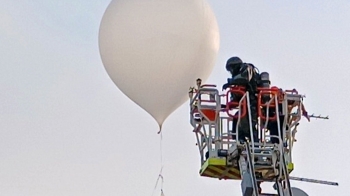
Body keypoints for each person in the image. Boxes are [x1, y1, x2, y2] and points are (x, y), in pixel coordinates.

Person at [223, 56, 260, 143]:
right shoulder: (236, 80)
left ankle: (254, 142)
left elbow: (244, 79)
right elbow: (236, 97)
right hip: (245, 102)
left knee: (249, 121)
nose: (231, 72)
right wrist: (227, 105)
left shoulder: (247, 68)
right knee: (238, 117)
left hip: (252, 100)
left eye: (231, 69)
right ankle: (239, 138)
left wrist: (230, 82)